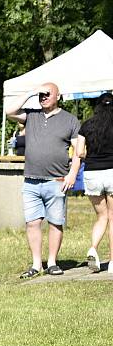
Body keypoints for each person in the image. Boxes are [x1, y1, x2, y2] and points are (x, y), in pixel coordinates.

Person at [5, 82, 81, 277]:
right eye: (41, 95)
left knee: (55, 222)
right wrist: (30, 93)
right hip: (31, 180)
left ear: (58, 96)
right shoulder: (31, 115)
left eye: (47, 94)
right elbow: (9, 110)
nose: (43, 97)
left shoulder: (70, 120)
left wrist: (72, 174)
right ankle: (36, 264)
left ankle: (53, 262)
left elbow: (78, 152)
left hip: (57, 180)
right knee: (32, 223)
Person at [78, 92, 113, 272]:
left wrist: (91, 154)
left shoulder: (87, 125)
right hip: (112, 172)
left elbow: (79, 152)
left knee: (101, 217)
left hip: (92, 174)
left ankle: (93, 248)